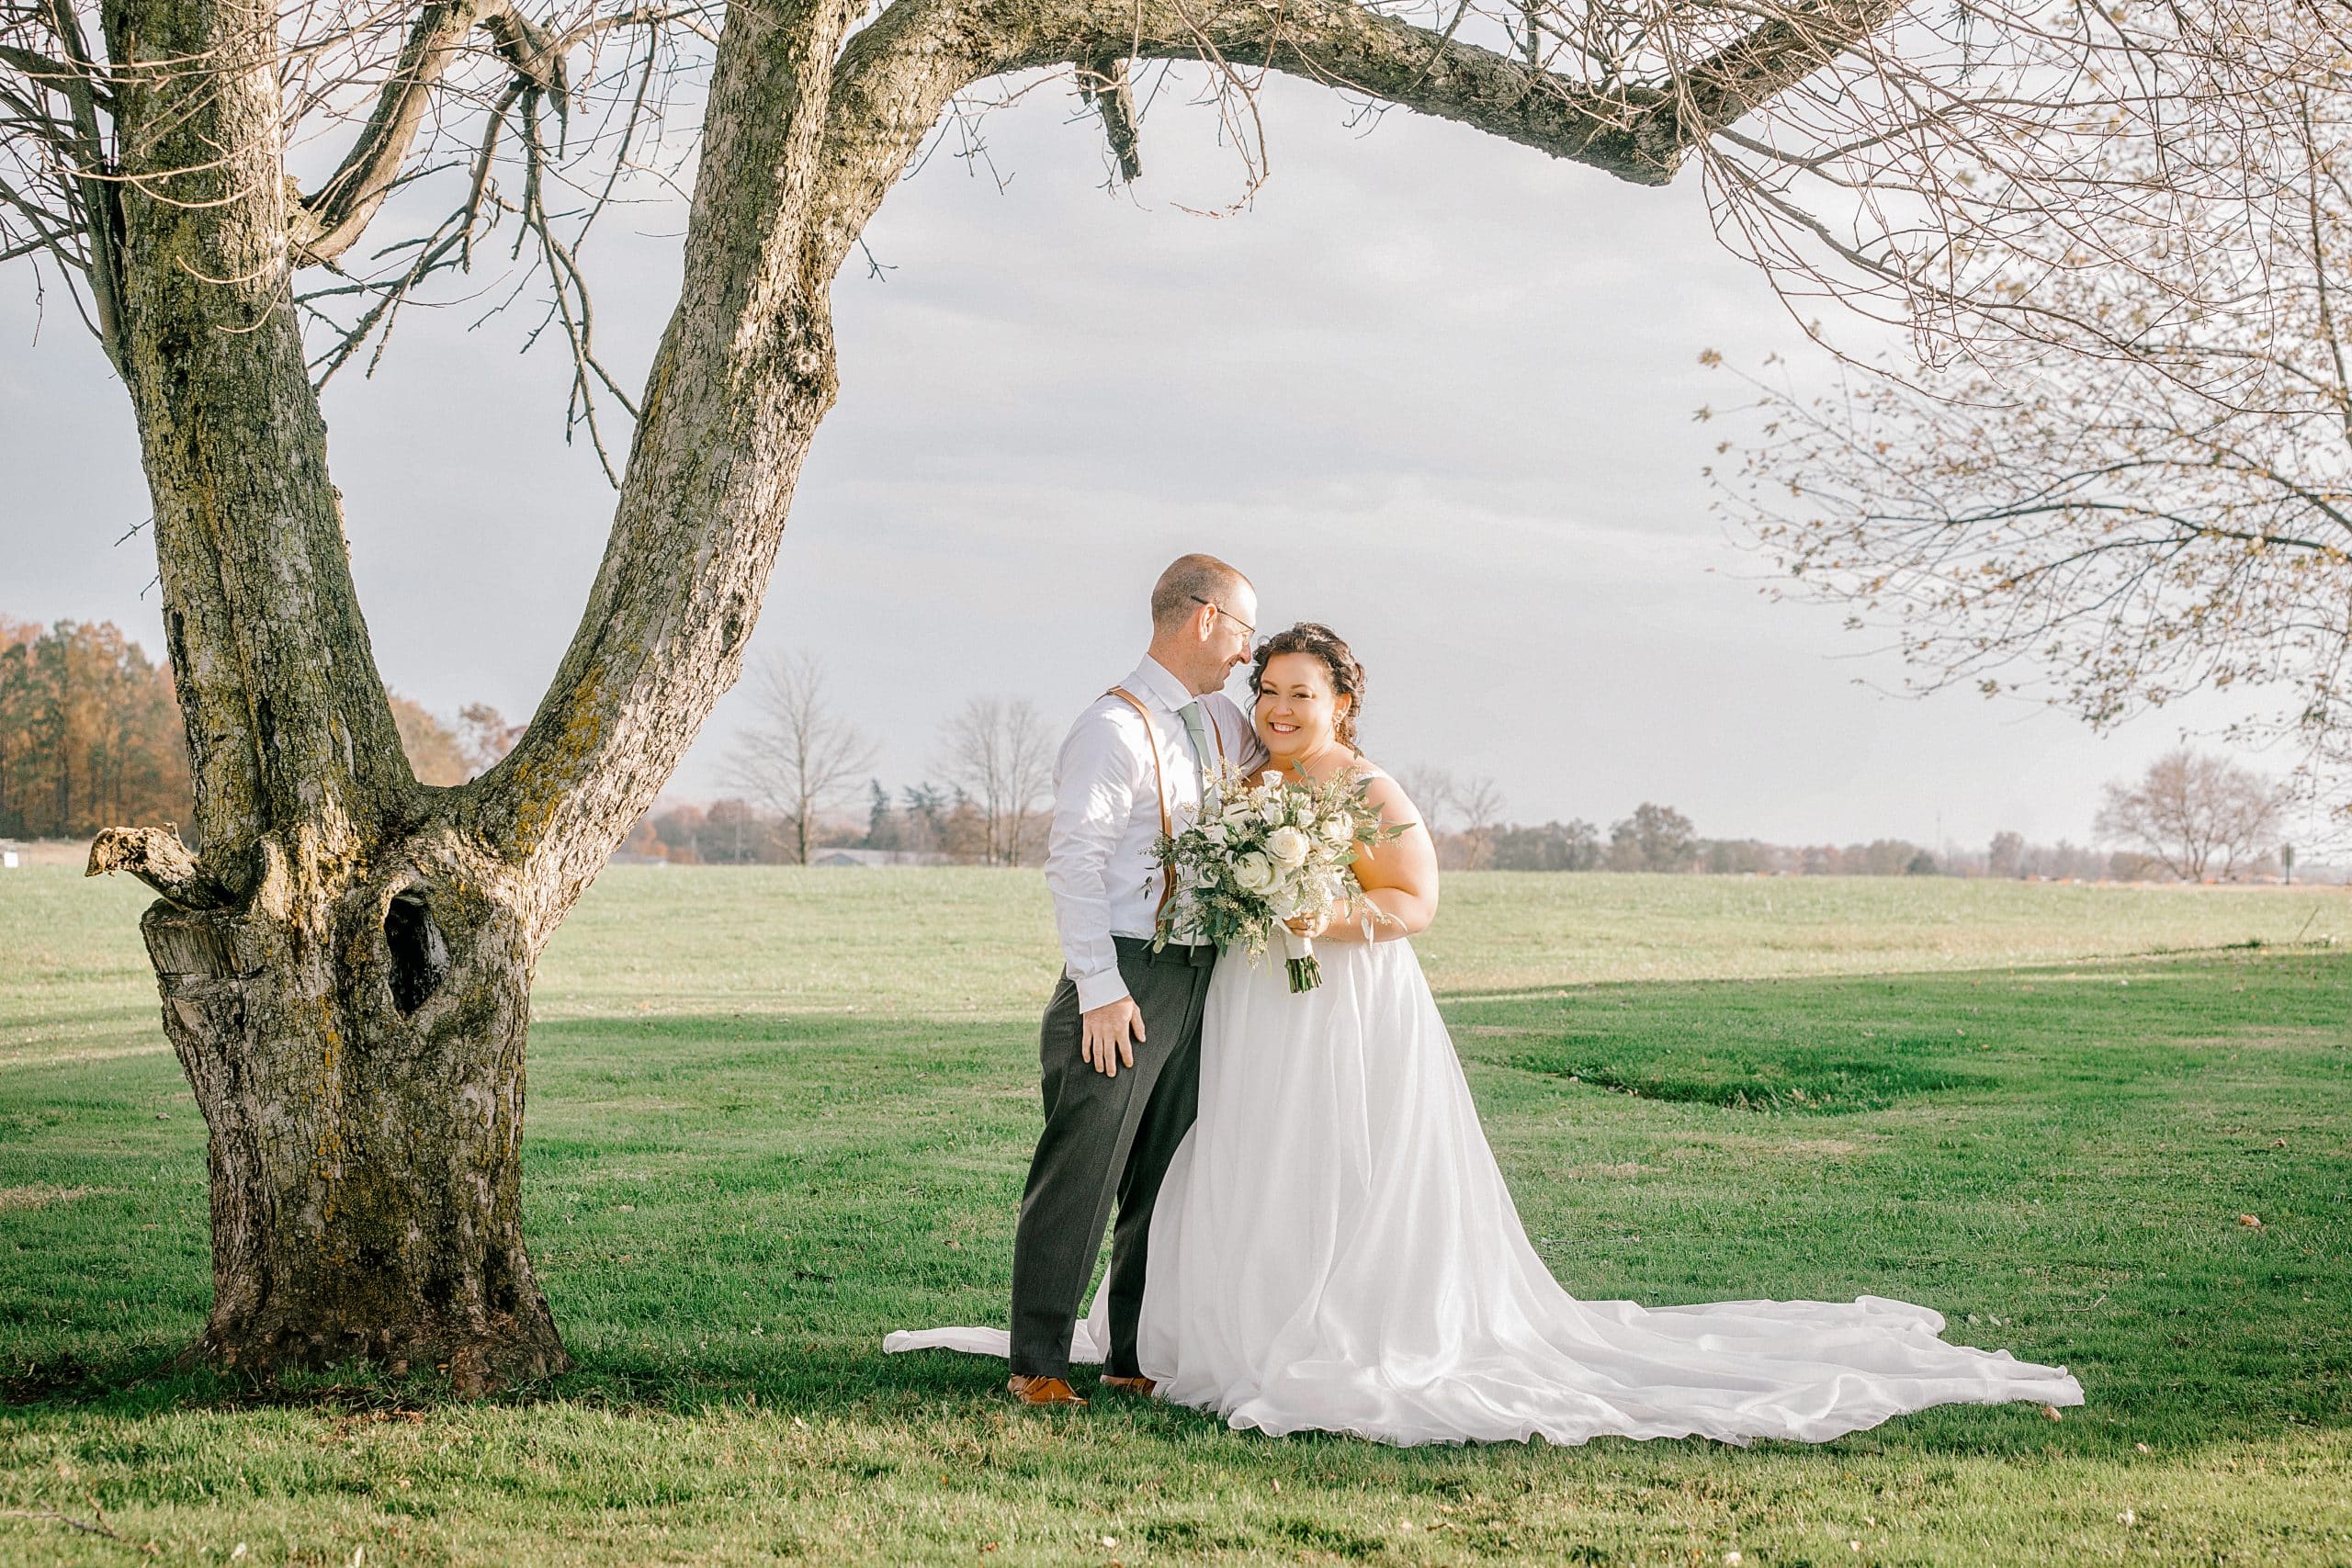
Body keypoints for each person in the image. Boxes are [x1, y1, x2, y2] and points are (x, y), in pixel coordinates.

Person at [891, 619, 2086, 1445]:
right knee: (1233, 1156)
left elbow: (1414, 902)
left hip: (1347, 998)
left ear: (1344, 701)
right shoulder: (1245, 779)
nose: (1278, 706)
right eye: (1269, 689)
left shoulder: (1369, 785)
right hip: (1251, 1000)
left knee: (1345, 1163)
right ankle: (1206, 1333)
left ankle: (1347, 1328)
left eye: (1302, 692)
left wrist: (1318, 908)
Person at [910, 554, 1264, 1408]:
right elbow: (1075, 864)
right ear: (1205, 618)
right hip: (1124, 974)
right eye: (1247, 634)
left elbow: (1296, 746)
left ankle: (1130, 1352)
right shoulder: (1109, 728)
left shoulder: (1222, 722)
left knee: (1161, 1173)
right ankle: (1038, 1361)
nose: (1249, 657)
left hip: (1201, 971)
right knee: (1084, 1167)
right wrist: (1101, 987)